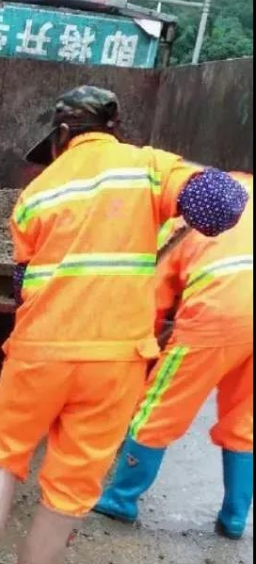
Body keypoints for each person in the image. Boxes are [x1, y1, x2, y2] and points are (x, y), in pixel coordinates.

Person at [0, 86, 249, 564]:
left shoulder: (35, 193)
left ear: (62, 134)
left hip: (38, 353)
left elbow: (22, 285)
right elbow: (223, 203)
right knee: (72, 480)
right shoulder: (149, 167)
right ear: (113, 129)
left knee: (3, 451)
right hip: (115, 362)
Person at [94, 173, 253, 540]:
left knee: (160, 409)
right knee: (245, 419)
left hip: (220, 313)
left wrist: (135, 355)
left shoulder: (186, 217)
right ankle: (234, 518)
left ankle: (121, 499)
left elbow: (151, 300)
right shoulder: (239, 193)